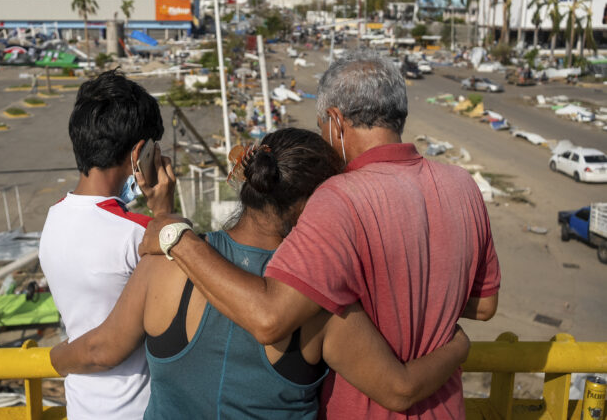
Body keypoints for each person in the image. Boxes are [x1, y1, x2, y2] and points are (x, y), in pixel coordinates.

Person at [139, 50, 500, 419]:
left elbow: (270, 318)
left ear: (335, 121)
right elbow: (484, 305)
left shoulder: (339, 197)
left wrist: (175, 234)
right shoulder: (463, 186)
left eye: (321, 127)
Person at [51, 128, 471, 419]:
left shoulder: (167, 262)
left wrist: (52, 358)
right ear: (314, 206)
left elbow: (100, 350)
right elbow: (399, 389)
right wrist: (457, 346)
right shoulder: (317, 304)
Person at [39, 70, 173, 419]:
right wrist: (165, 213)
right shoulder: (139, 233)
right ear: (139, 153)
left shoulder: (53, 222)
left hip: (83, 405)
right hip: (138, 411)